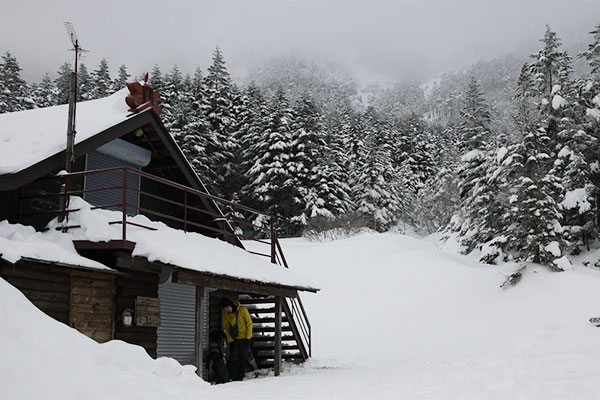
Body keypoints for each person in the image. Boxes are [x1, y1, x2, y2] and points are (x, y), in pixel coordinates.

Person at [219, 297, 253, 381]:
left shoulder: (243, 310)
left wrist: (248, 337)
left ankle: (240, 377)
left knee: (243, 358)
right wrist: (230, 341)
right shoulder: (225, 316)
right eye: (225, 309)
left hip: (245, 338)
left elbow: (249, 323)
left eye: (227, 308)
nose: (227, 310)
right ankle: (232, 377)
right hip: (235, 340)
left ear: (231, 305)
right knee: (233, 359)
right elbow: (226, 329)